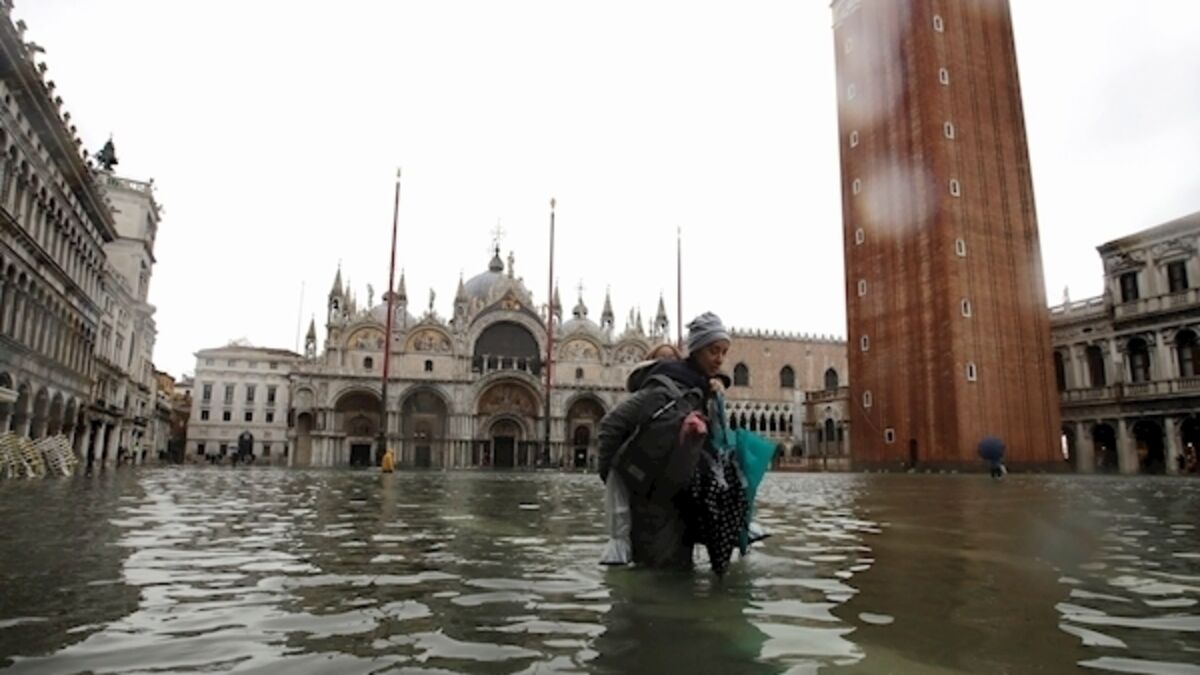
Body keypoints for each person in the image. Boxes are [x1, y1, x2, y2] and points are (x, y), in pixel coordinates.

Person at [598, 312, 732, 569]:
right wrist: (614, 479)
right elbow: (610, 426)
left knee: (678, 574)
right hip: (651, 503)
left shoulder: (700, 390)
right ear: (697, 349)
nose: (719, 359)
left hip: (684, 502)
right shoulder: (661, 390)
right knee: (657, 575)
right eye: (713, 351)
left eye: (724, 352)